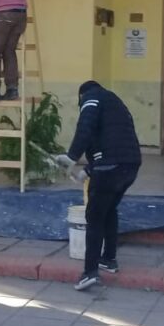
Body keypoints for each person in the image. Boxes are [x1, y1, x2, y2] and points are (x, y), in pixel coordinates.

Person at [65, 80, 142, 291]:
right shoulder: (115, 102)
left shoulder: (91, 98)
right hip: (130, 165)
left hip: (110, 168)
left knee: (95, 216)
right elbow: (112, 142)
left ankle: (89, 272)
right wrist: (87, 171)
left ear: (81, 96)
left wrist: (71, 156)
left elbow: (86, 127)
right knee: (109, 210)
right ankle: (108, 259)